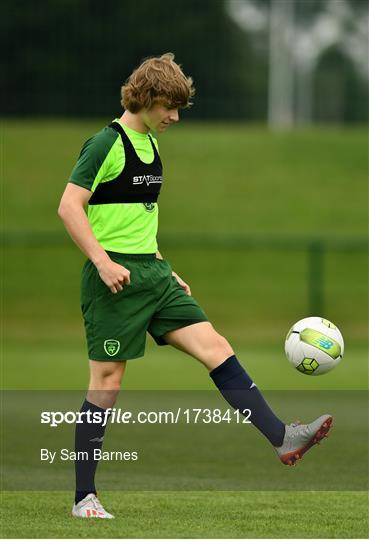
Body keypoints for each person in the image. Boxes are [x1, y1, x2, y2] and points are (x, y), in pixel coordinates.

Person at [58, 53, 332, 519]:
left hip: (153, 274)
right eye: (169, 106)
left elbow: (136, 217)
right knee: (107, 383)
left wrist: (164, 265)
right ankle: (84, 498)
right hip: (114, 281)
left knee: (216, 347)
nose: (174, 117)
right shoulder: (106, 143)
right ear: (146, 98)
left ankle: (283, 438)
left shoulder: (152, 146)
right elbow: (69, 206)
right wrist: (102, 262)